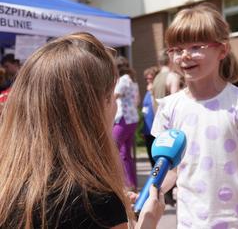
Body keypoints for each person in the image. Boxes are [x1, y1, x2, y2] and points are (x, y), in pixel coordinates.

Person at [0, 32, 165, 229]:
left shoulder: (8, 185)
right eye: (111, 96)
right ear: (93, 109)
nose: (115, 104)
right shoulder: (96, 201)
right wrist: (147, 222)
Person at [152, 4, 238, 228]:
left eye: (196, 46)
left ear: (222, 50)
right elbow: (169, 169)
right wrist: (149, 192)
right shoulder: (168, 107)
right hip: (189, 222)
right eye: (176, 49)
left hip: (235, 222)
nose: (185, 56)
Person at [113, 56, 140, 191]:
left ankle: (121, 183)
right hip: (132, 118)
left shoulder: (123, 80)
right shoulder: (133, 80)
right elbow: (137, 100)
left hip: (124, 117)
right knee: (125, 153)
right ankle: (131, 184)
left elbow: (114, 96)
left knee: (112, 148)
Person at [142, 66, 159, 167]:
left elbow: (155, 107)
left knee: (155, 158)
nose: (148, 81)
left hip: (154, 127)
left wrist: (152, 93)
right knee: (150, 157)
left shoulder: (154, 91)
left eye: (150, 78)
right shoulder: (147, 90)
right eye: (147, 79)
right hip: (147, 128)